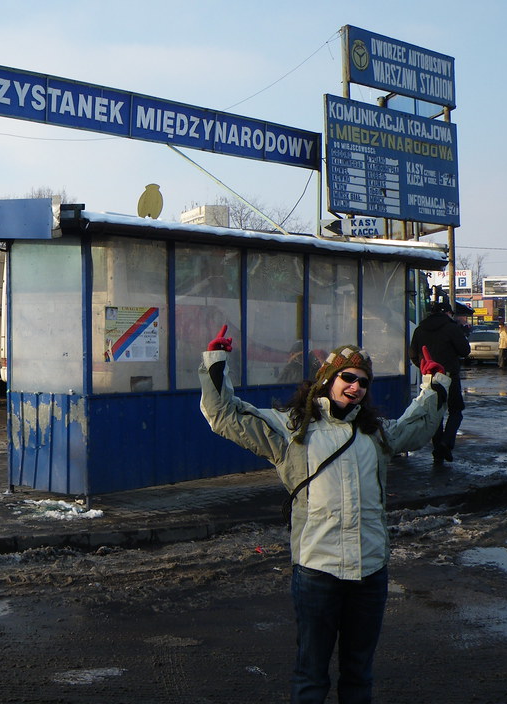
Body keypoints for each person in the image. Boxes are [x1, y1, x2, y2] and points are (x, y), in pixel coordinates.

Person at [199, 327, 450, 704]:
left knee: (358, 674)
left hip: (370, 573)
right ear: (327, 380)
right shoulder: (292, 430)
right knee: (311, 675)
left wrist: (434, 382)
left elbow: (420, 426)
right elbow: (225, 416)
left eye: (363, 382)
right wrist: (216, 363)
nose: (356, 387)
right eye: (348, 378)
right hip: (318, 571)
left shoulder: (376, 433)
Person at [409, 300, 470, 463]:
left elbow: (413, 355)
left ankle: (438, 448)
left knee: (435, 413)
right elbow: (465, 351)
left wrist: (426, 368)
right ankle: (446, 443)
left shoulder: (420, 329)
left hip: (429, 377)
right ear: (448, 313)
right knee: (456, 410)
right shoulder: (451, 328)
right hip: (449, 376)